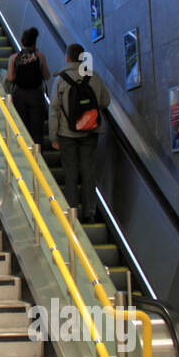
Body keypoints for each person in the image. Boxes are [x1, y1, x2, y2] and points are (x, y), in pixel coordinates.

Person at [48, 44, 110, 224]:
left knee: (70, 171)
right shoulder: (94, 76)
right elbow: (105, 101)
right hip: (91, 132)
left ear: (67, 58)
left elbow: (54, 110)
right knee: (89, 171)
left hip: (67, 134)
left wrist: (53, 136)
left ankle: (72, 212)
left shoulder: (61, 79)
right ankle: (90, 212)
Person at [6, 27, 50, 145]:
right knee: (36, 129)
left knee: (21, 127)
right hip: (36, 94)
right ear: (34, 42)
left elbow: (10, 78)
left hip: (19, 95)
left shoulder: (14, 58)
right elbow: (46, 76)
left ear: (22, 42)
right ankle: (37, 157)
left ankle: (23, 155)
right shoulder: (40, 56)